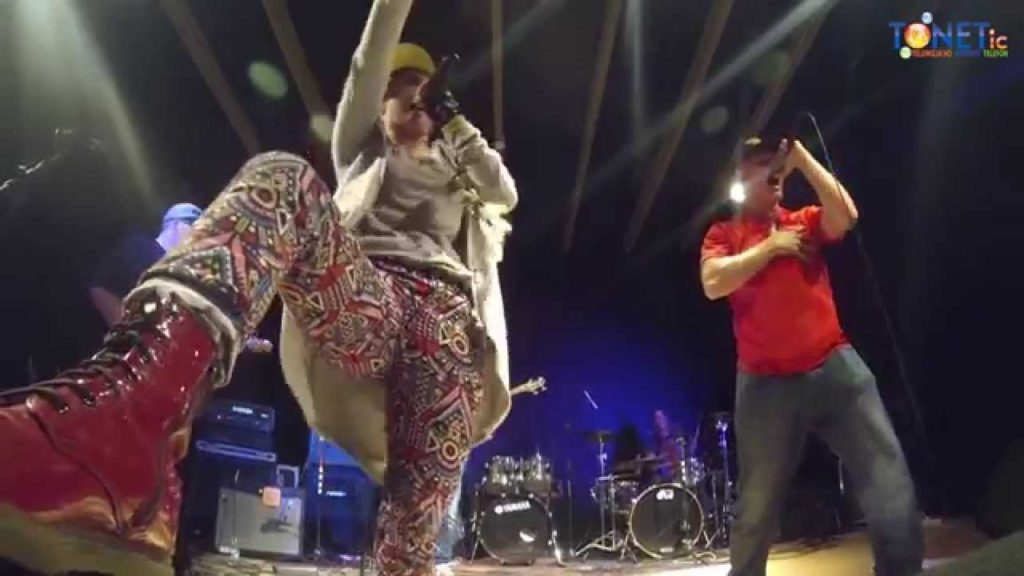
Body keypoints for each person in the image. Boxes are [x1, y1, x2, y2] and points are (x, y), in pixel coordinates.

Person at [0, 1, 516, 575]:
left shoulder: (458, 168)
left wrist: (456, 124)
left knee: (412, 536)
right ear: (380, 105)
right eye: (401, 87)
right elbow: (369, 61)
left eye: (424, 87)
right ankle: (122, 446)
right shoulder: (362, 149)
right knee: (284, 178)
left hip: (448, 330)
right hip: (370, 298)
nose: (415, 95)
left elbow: (505, 193)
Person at [700, 136, 923, 576]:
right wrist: (771, 248)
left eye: (777, 161)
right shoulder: (724, 233)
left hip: (835, 368)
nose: (774, 169)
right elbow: (712, 283)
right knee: (756, 507)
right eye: (762, 163)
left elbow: (846, 215)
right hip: (765, 385)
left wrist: (802, 158)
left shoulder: (802, 220)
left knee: (888, 480)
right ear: (741, 177)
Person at [89, 203, 201, 327]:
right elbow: (100, 286)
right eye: (195, 229)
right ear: (177, 224)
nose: (198, 238)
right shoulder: (139, 248)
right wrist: (124, 326)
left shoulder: (179, 264)